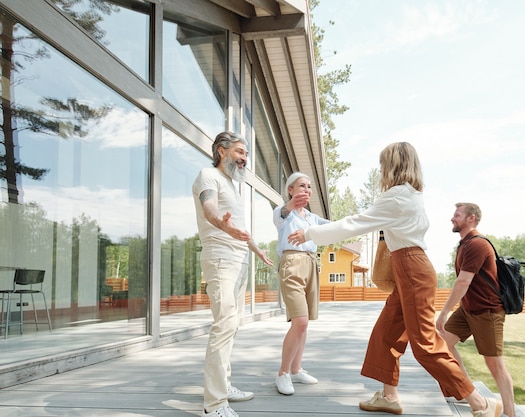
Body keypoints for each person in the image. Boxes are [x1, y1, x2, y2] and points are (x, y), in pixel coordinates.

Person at [288, 142, 502, 417]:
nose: (380, 171)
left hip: (412, 270)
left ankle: (479, 402)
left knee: (425, 344)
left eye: (382, 165)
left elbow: (355, 222)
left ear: (393, 166)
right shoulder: (409, 195)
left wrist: (309, 234)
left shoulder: (398, 196)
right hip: (410, 270)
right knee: (386, 333)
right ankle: (389, 397)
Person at [192, 131, 274, 417]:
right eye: (240, 152)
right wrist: (221, 224)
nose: (244, 158)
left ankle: (224, 386)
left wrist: (257, 249)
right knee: (224, 325)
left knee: (232, 326)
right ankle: (214, 404)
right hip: (221, 259)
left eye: (246, 154)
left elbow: (238, 226)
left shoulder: (231, 185)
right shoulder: (208, 176)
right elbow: (210, 209)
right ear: (221, 151)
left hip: (239, 260)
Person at [436, 202, 516, 417]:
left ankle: (509, 412)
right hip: (468, 309)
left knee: (494, 363)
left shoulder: (477, 245)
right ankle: (466, 390)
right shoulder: (464, 245)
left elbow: (463, 282)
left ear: (471, 218)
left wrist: (443, 313)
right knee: (442, 343)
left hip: (487, 311)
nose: (453, 218)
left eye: (457, 215)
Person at [273, 172, 330, 395]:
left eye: (308, 186)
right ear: (290, 189)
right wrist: (291, 204)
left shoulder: (312, 218)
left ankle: (296, 369)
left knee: (304, 323)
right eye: (301, 186)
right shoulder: (282, 213)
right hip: (291, 264)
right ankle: (283, 373)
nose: (306, 190)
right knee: (301, 321)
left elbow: (336, 227)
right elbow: (284, 211)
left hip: (310, 265)